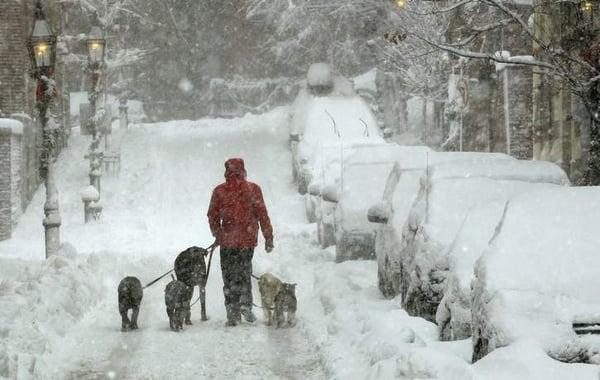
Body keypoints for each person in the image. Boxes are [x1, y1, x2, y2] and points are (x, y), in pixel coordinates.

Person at [207, 158, 274, 326]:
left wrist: (217, 233)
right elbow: (262, 214)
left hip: (228, 240)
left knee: (229, 276)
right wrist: (268, 237)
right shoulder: (253, 189)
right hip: (247, 240)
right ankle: (245, 304)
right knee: (244, 272)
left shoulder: (219, 191)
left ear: (226, 172)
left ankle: (232, 310)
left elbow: (212, 215)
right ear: (243, 170)